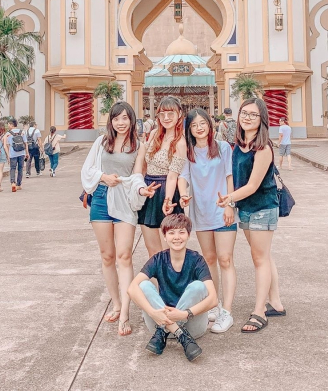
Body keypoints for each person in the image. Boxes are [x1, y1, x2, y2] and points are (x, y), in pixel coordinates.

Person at [218, 97, 286, 333]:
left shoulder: (263, 148)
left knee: (260, 259)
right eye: (244, 113)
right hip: (245, 208)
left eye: (253, 115)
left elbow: (254, 185)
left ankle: (259, 311)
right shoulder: (239, 144)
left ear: (262, 120)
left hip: (262, 207)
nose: (247, 117)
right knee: (264, 256)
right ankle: (275, 302)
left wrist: (229, 199)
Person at [80, 101, 147, 336]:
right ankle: (116, 303)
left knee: (124, 255)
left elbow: (138, 175)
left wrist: (141, 190)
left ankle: (126, 312)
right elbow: (87, 169)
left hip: (125, 200)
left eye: (125, 118)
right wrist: (103, 177)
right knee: (107, 256)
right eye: (116, 118)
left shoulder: (139, 145)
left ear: (131, 120)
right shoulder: (101, 142)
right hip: (100, 198)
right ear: (111, 121)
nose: (120, 123)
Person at [127, 214, 218, 361]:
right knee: (143, 285)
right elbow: (131, 288)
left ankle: (166, 331)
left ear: (188, 235)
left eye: (181, 232)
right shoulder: (158, 259)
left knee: (198, 286)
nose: (177, 237)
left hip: (191, 324)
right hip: (159, 320)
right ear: (164, 236)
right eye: (171, 232)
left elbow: (213, 299)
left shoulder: (197, 260)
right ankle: (179, 334)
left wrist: (184, 314)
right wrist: (153, 312)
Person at [178, 108, 236, 333]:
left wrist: (230, 203)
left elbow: (230, 176)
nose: (199, 128)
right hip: (200, 212)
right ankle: (214, 303)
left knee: (225, 259)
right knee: (209, 259)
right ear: (189, 130)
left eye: (203, 123)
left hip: (223, 211)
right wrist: (183, 194)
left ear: (210, 125)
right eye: (194, 125)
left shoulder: (222, 148)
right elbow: (184, 177)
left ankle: (227, 311)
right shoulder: (189, 152)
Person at [137, 96, 187, 256]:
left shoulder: (180, 142)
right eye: (162, 114)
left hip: (166, 191)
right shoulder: (153, 134)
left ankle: (170, 280)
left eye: (170, 113)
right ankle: (157, 280)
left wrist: (167, 200)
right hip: (148, 191)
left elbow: (173, 176)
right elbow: (144, 165)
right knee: (152, 248)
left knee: (169, 248)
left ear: (179, 114)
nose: (166, 118)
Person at [7, 118, 28, 192]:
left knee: (12, 168)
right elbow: (25, 143)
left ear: (12, 125)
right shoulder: (22, 132)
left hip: (13, 154)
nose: (8, 126)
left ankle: (13, 183)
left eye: (9, 124)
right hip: (22, 153)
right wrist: (27, 153)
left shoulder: (8, 134)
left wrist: (8, 155)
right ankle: (18, 184)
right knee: (20, 169)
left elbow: (8, 145)